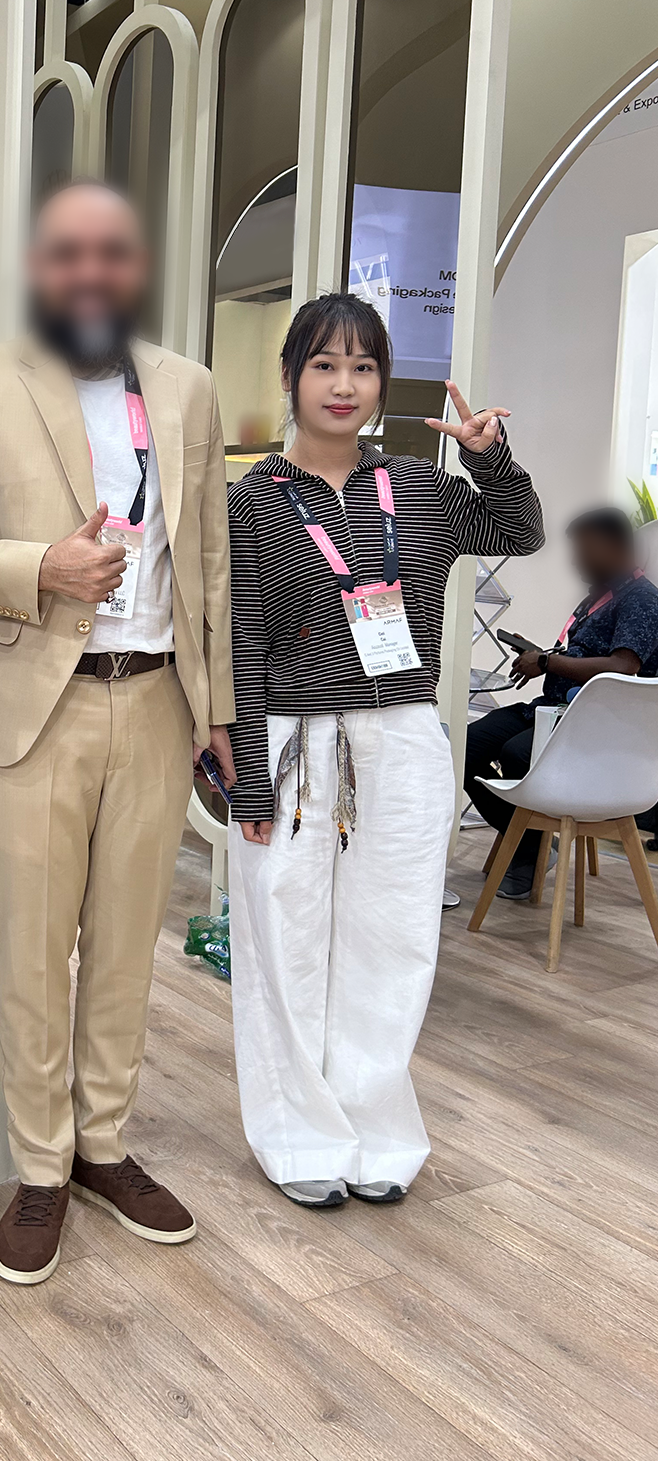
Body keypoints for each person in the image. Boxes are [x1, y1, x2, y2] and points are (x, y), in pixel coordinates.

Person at [0, 181, 236, 1283]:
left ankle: (103, 1145)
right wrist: (39, 568)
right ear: (40, 268)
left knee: (125, 945)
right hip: (33, 708)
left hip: (156, 700)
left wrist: (218, 711)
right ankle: (39, 1167)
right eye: (69, 253)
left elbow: (209, 559)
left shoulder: (188, 388)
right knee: (30, 950)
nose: (91, 272)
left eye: (112, 251)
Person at [226, 292, 543, 1210]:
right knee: (284, 941)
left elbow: (519, 531)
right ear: (289, 375)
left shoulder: (419, 486)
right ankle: (297, 1134)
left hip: (401, 736)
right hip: (292, 741)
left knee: (390, 940)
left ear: (381, 382)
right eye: (324, 364)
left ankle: (374, 1130)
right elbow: (240, 640)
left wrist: (487, 457)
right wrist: (247, 779)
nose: (343, 384)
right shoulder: (253, 500)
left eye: (362, 367)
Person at [465, 506, 658, 895]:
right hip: (553, 710)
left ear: (616, 546)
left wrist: (547, 662)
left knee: (519, 754)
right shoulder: (598, 598)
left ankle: (528, 850)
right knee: (464, 749)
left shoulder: (642, 599)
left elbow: (623, 666)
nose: (577, 561)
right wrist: (543, 657)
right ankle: (531, 844)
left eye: (584, 550)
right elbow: (584, 657)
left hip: (594, 725)